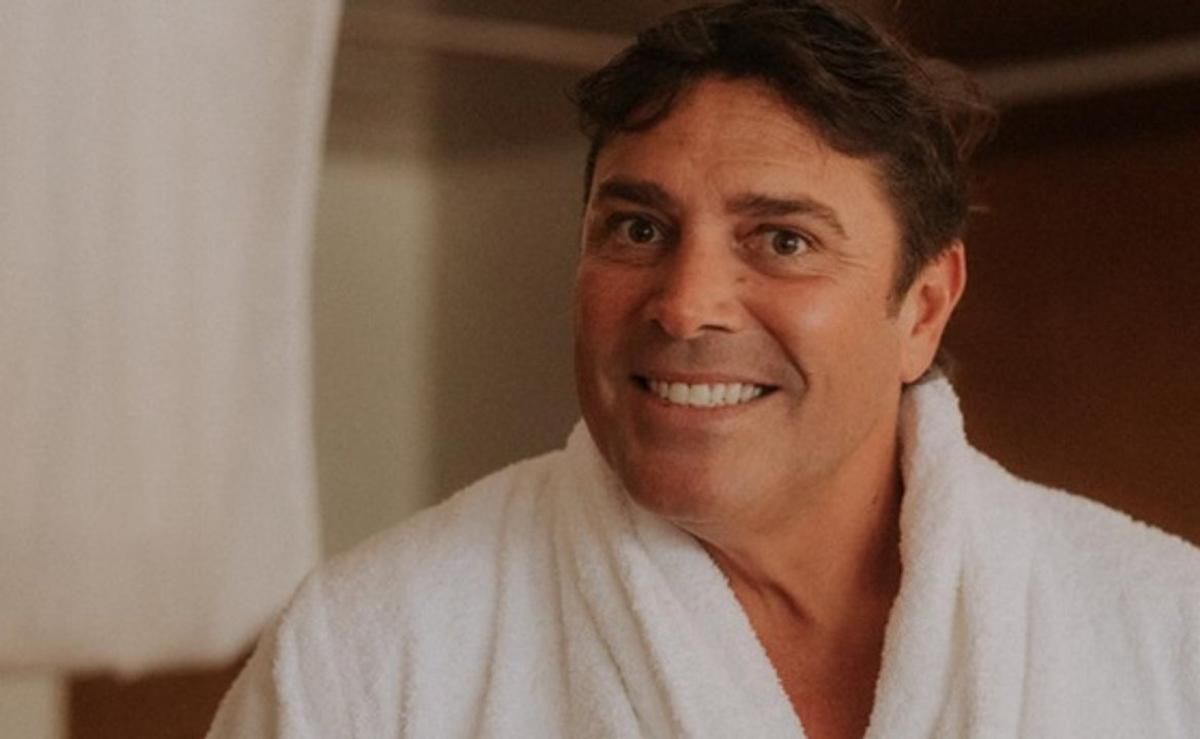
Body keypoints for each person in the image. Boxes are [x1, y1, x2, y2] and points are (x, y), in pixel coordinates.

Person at [208, 1, 1200, 737]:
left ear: (924, 307)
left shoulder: (1163, 636)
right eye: (638, 229)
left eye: (783, 240)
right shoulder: (368, 659)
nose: (685, 305)